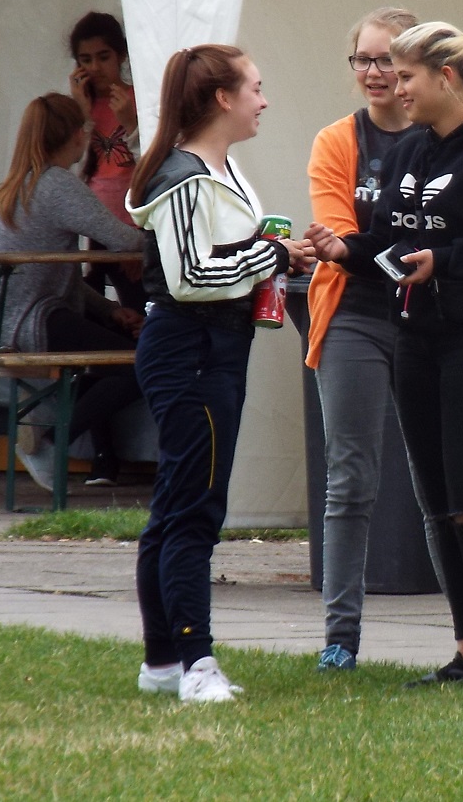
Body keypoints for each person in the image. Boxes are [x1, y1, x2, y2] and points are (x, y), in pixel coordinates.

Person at [306, 22, 463, 692]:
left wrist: (444, 261)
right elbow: (389, 240)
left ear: (447, 77)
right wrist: (344, 250)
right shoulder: (413, 148)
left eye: (406, 74)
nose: (395, 85)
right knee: (440, 504)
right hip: (417, 339)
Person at [126, 44, 313, 704]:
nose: (264, 101)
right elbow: (191, 276)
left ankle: (162, 662)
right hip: (191, 347)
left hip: (214, 347)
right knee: (194, 510)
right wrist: (271, 256)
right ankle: (196, 663)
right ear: (222, 98)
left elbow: (224, 253)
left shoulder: (219, 168)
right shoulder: (183, 177)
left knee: (177, 504)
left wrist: (277, 251)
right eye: (255, 89)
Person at [305, 6, 441, 673]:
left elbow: (448, 235)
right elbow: (339, 239)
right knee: (351, 476)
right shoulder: (338, 140)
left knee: (439, 477)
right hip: (354, 315)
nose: (375, 72)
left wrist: (385, 252)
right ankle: (341, 637)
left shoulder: (445, 137)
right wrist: (396, 255)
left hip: (432, 317)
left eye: (388, 59)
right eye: (364, 59)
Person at [0, 92, 145, 488]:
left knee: (122, 356)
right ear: (75, 135)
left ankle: (45, 422)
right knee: (142, 364)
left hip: (7, 325)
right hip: (35, 322)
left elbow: (53, 275)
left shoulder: (11, 190)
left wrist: (109, 311)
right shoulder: (56, 185)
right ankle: (50, 441)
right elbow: (124, 240)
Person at [67, 11, 146, 310]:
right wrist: (81, 115)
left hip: (133, 225)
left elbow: (153, 166)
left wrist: (131, 123)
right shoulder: (80, 105)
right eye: (85, 60)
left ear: (121, 55)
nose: (95, 68)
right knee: (96, 308)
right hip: (96, 223)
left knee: (137, 305)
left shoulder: (138, 99)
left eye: (103, 57)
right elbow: (73, 167)